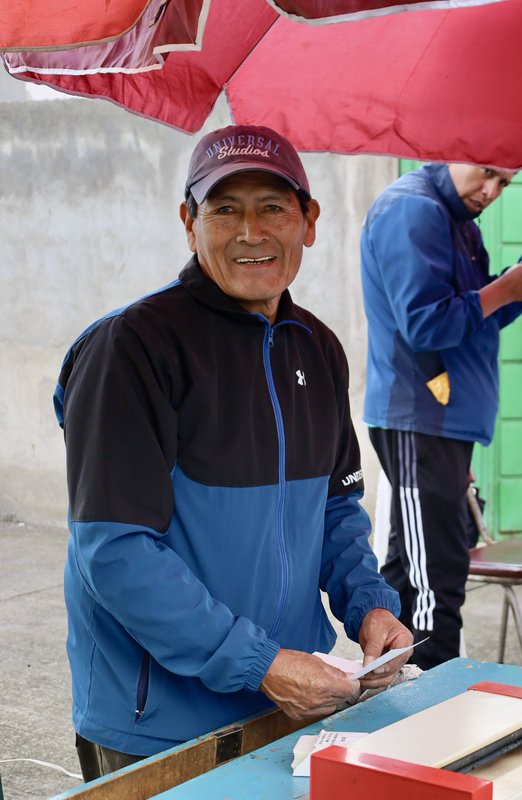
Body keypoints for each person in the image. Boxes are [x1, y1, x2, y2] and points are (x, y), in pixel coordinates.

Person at [54, 125, 411, 779]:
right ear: (190, 223)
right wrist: (259, 663)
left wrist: (371, 605)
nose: (251, 231)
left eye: (273, 207)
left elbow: (335, 511)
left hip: (290, 710)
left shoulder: (319, 349)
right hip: (159, 730)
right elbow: (116, 553)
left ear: (309, 220)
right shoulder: (130, 351)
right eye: (225, 209)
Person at [361, 162, 522, 669]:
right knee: (435, 574)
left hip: (442, 422)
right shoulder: (414, 210)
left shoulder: (455, 219)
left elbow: (476, 317)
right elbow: (425, 324)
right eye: (487, 173)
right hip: (420, 416)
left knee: (417, 565)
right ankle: (430, 699)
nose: (492, 191)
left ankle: (399, 693)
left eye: (506, 182)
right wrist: (507, 286)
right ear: (453, 150)